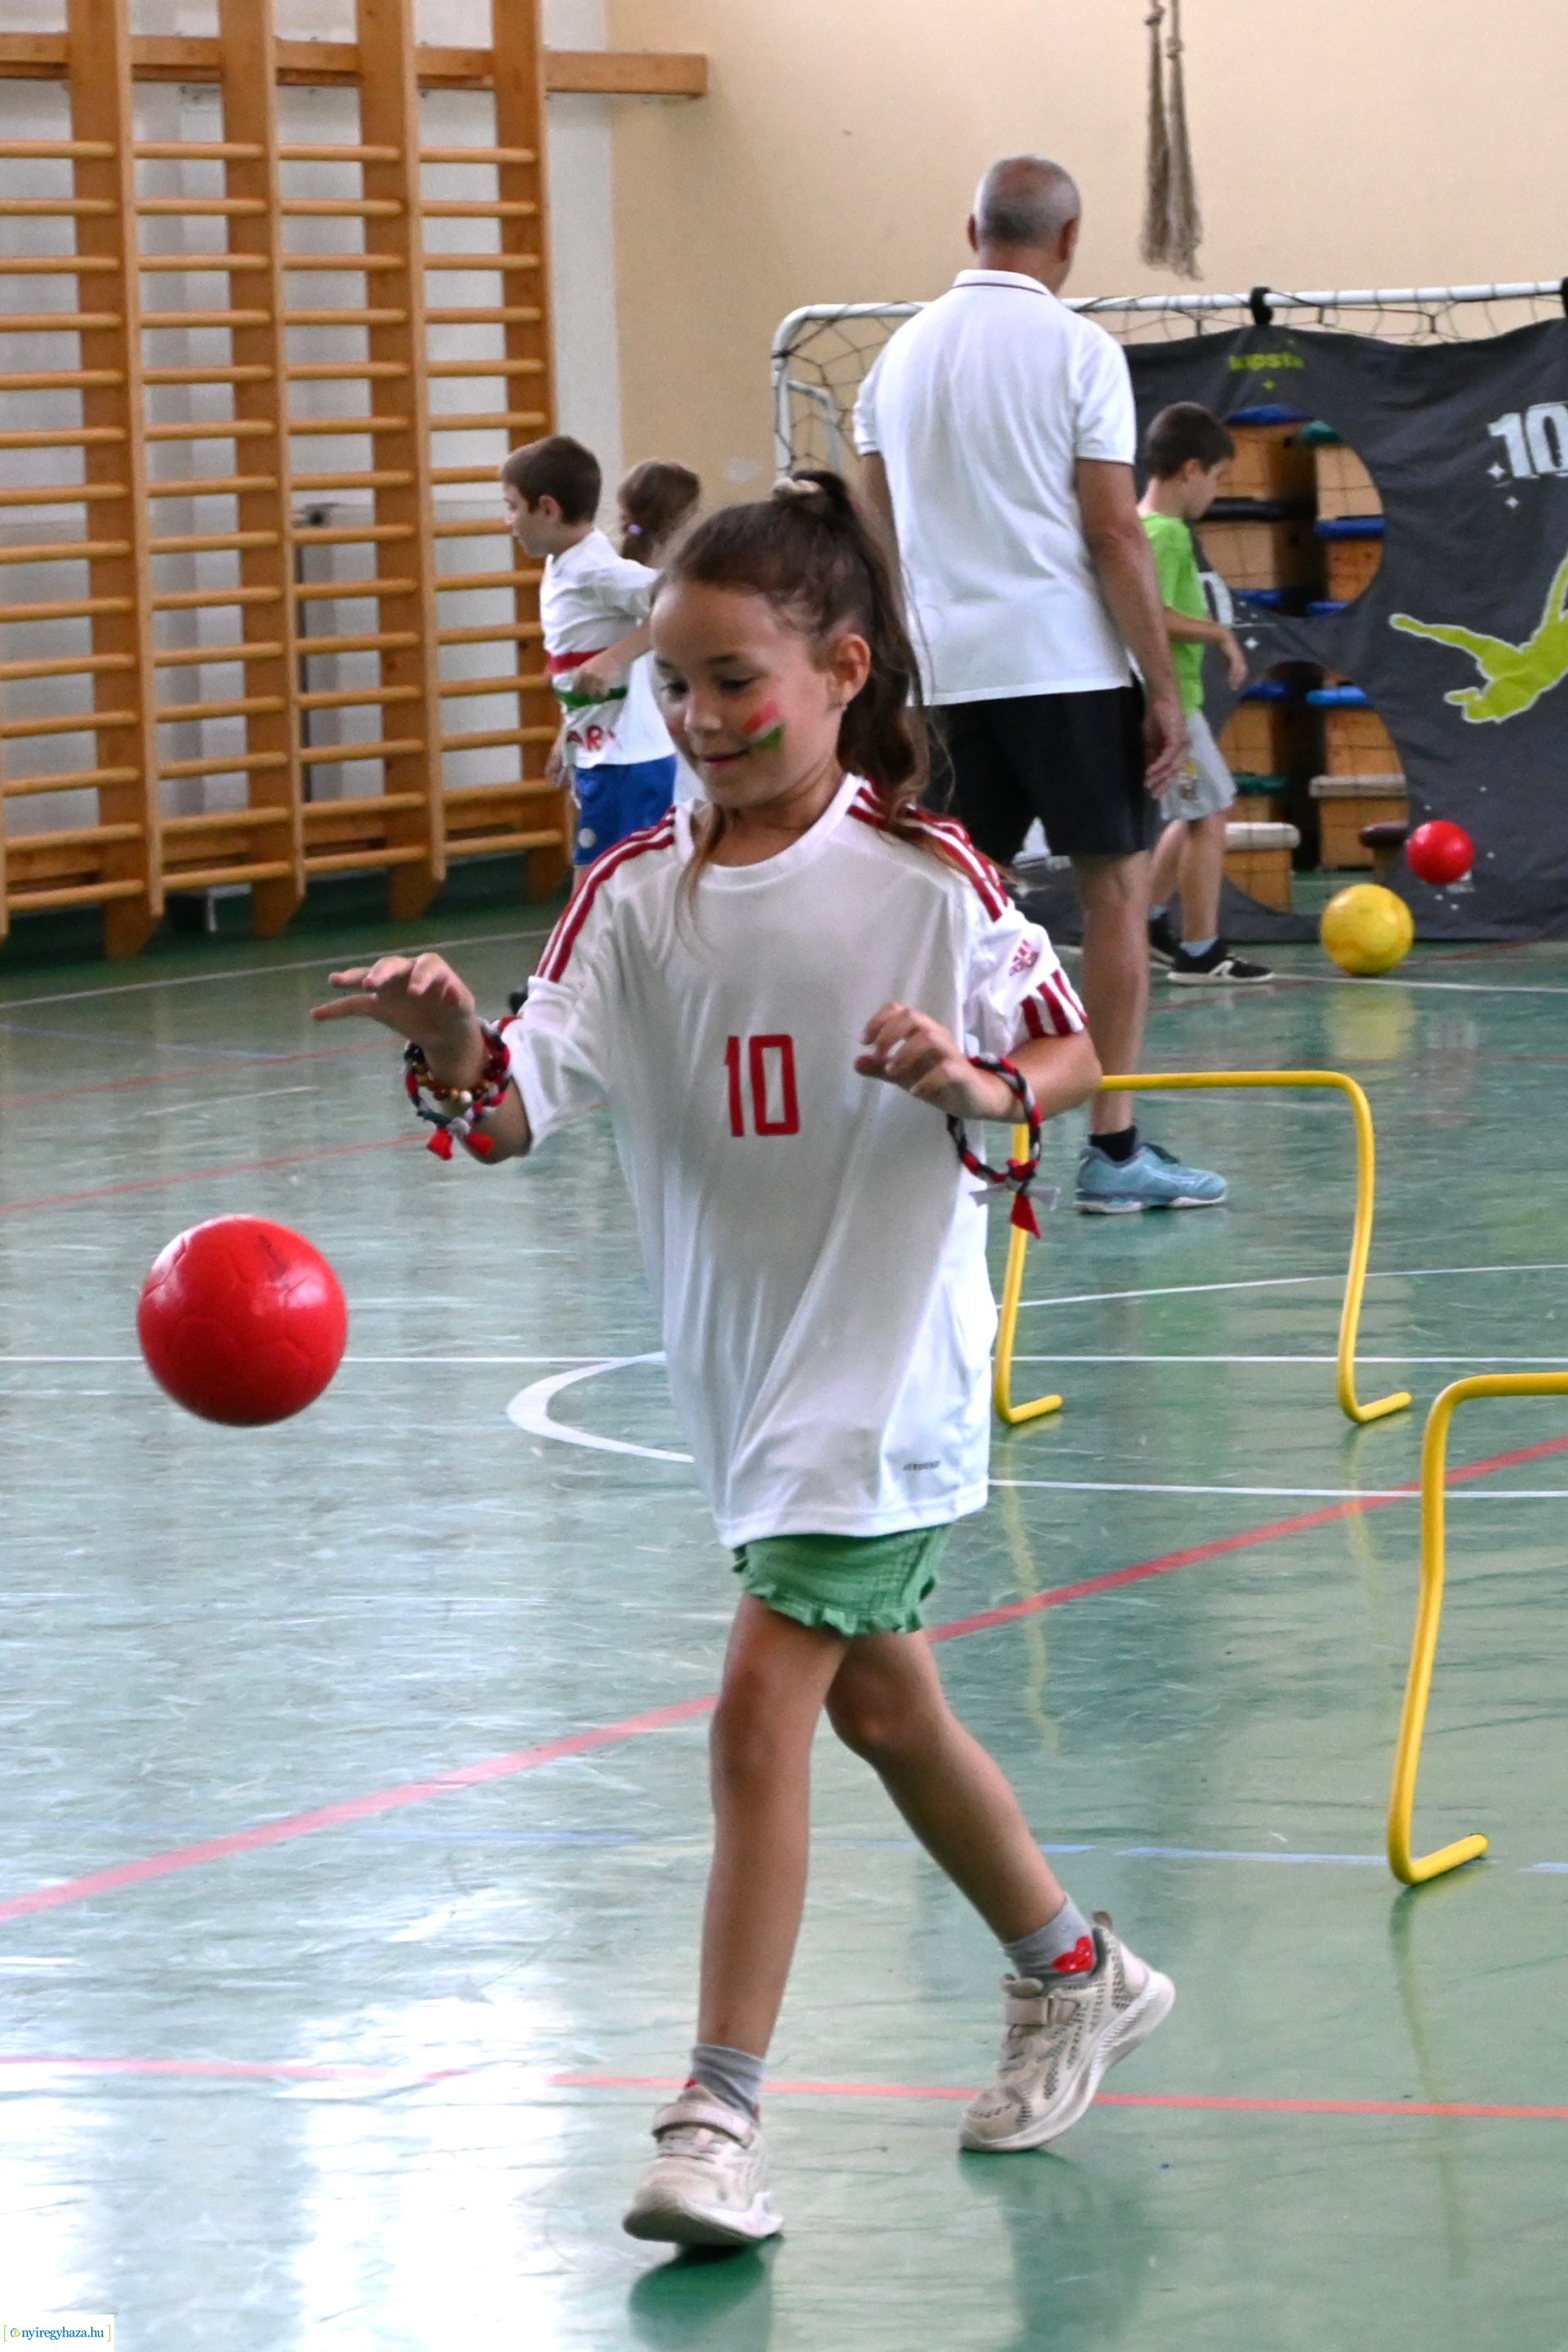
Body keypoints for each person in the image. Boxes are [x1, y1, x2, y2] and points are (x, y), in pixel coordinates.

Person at [313, 472, 1175, 2248]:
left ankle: (716, 2116)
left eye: (735, 681)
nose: (700, 719)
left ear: (842, 669)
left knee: (757, 1710)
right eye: (680, 689)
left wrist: (972, 1084)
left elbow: (1064, 1055)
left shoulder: (925, 879)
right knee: (878, 1699)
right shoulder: (632, 901)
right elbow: (504, 1114)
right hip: (746, 1377)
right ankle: (1070, 1967)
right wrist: (448, 1034)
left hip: (884, 1365)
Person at [854, 154, 1226, 1214]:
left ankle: (949, 1149)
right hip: (1066, 670)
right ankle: (1113, 1154)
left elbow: (879, 533)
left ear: (970, 225)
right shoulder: (1079, 350)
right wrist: (1161, 683)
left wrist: (899, 671)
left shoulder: (897, 358)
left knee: (948, 906)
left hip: (943, 679)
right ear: (1068, 241)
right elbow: (1113, 528)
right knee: (1112, 895)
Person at [501, 434, 679, 879]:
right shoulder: (565, 564)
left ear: (548, 508)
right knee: (617, 901)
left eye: (512, 507)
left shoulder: (593, 570)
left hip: (626, 765)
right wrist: (569, 733)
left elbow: (681, 601)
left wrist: (613, 658)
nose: (508, 522)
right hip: (605, 756)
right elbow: (578, 663)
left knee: (595, 901)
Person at [1139, 404, 1272, 985]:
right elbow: (1153, 616)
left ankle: (1141, 920)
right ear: (1191, 470)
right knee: (1211, 810)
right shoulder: (1166, 534)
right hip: (1173, 701)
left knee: (1194, 810)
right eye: (1217, 478)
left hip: (1165, 697)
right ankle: (1201, 949)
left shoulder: (1139, 525)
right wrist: (1220, 633)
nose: (1216, 493)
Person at [616, 459, 705, 805]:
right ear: (687, 519)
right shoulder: (680, 590)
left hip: (620, 750)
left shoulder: (609, 576)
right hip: (650, 751)